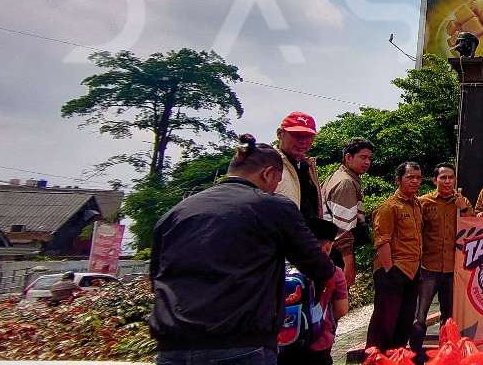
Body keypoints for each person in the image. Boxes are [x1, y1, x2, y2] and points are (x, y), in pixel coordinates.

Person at [150, 134, 335, 365]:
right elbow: (317, 265)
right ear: (268, 174)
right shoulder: (273, 207)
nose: (275, 189)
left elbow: (156, 278)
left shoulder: (175, 214)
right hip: (240, 343)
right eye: (277, 182)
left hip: (172, 345)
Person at [367, 162, 425, 357]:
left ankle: (396, 358)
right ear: (398, 179)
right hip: (393, 271)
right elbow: (382, 241)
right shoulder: (388, 207)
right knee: (384, 322)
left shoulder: (417, 204)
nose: (415, 181)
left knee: (404, 322)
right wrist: (389, 270)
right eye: (410, 177)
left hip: (412, 271)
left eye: (418, 177)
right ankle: (376, 358)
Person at [280, 219, 349, 365]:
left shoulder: (281, 269)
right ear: (327, 247)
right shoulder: (334, 272)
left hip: (285, 341)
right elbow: (341, 310)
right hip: (319, 341)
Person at [416, 164, 471, 342]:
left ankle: (445, 353)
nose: (447, 181)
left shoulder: (462, 202)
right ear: (435, 180)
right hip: (428, 267)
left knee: (449, 317)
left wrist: (463, 208)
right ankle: (416, 354)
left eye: (451, 178)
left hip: (452, 269)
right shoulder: (423, 202)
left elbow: (476, 226)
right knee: (420, 315)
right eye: (443, 177)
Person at [322, 138, 373, 288]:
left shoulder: (339, 176)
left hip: (328, 249)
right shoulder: (345, 182)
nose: (367, 162)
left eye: (369, 158)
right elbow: (342, 229)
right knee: (337, 295)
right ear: (348, 157)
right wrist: (349, 263)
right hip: (334, 252)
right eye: (362, 157)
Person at [276, 111, 323, 217]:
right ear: (280, 134)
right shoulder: (269, 164)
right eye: (297, 134)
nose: (303, 141)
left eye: (308, 136)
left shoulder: (307, 166)